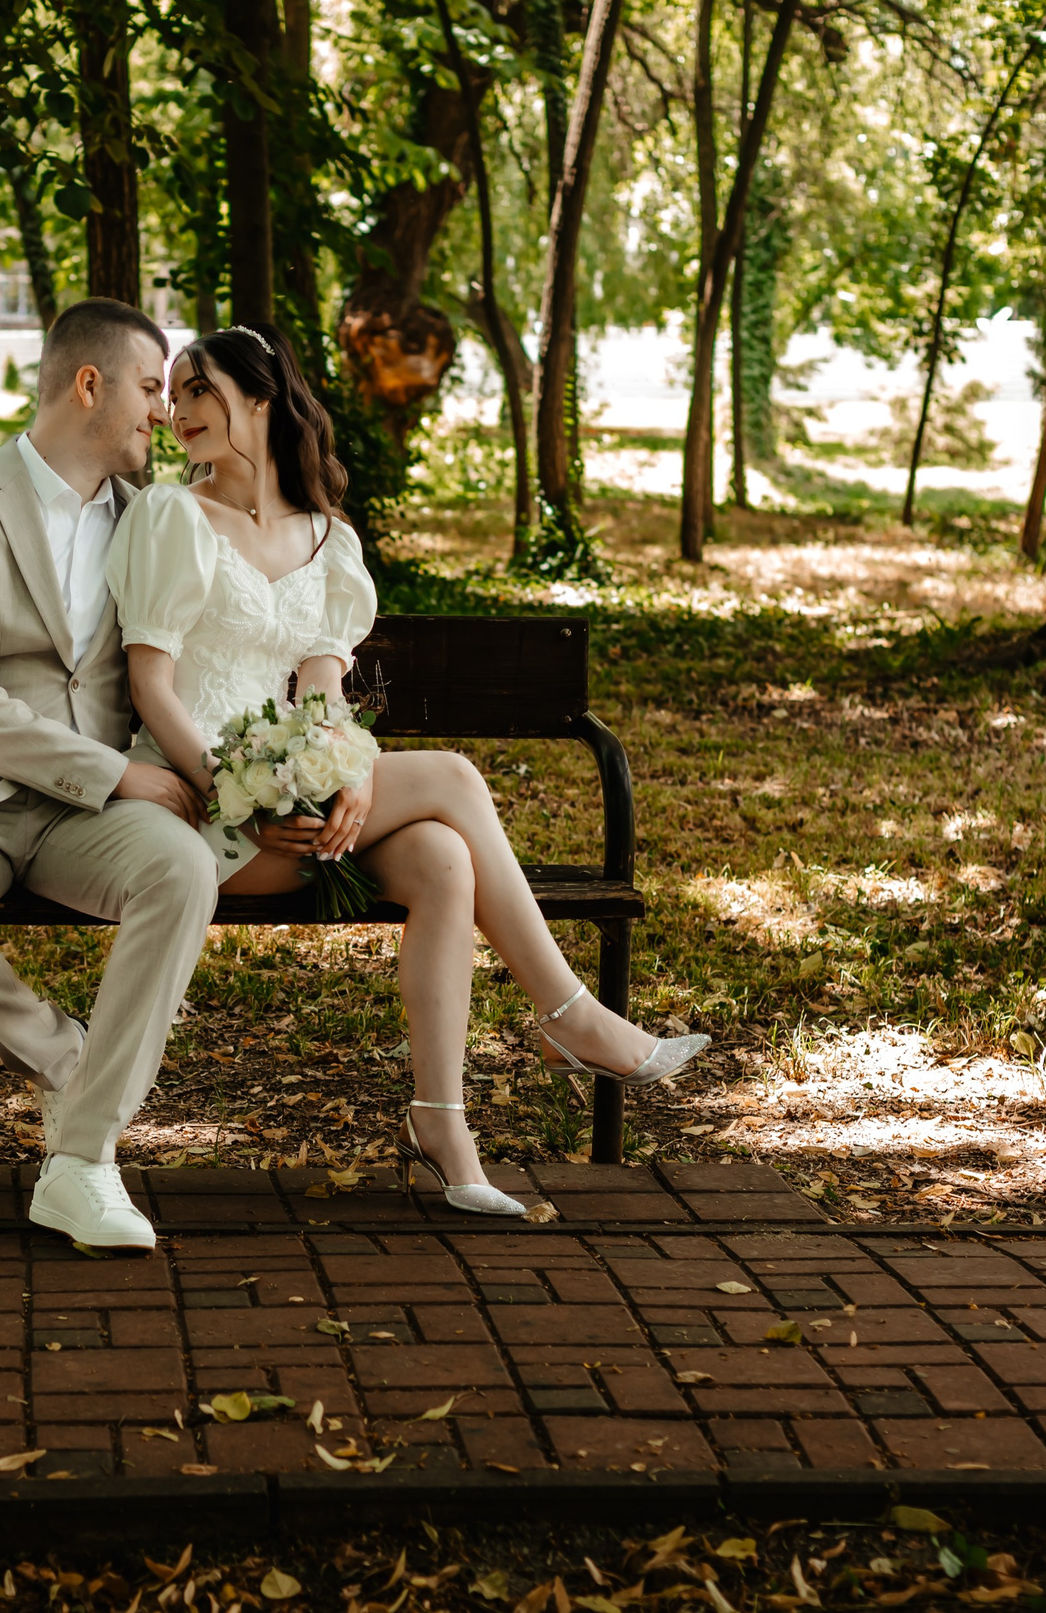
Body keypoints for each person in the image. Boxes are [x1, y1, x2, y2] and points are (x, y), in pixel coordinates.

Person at [105, 322, 706, 1217]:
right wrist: (236, 799)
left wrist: (351, 776)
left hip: (290, 798)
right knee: (456, 777)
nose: (178, 410)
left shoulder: (325, 539)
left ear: (260, 397)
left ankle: (443, 1124)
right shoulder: (172, 517)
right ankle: (570, 1015)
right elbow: (151, 688)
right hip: (195, 810)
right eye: (174, 392)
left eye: (201, 389)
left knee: (442, 858)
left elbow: (321, 694)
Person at [0, 296, 217, 1252]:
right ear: (88, 384)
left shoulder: (151, 520)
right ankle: (75, 1062)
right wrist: (113, 773)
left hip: (80, 821)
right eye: (151, 387)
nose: (164, 412)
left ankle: (82, 1161)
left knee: (182, 868)